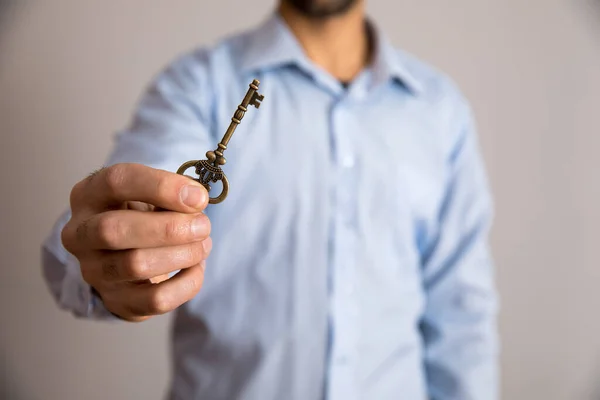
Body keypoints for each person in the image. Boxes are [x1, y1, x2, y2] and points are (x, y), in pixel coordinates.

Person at [41, 0, 499, 399]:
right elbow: (132, 204)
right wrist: (114, 256)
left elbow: (462, 316)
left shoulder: (440, 111)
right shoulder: (197, 86)